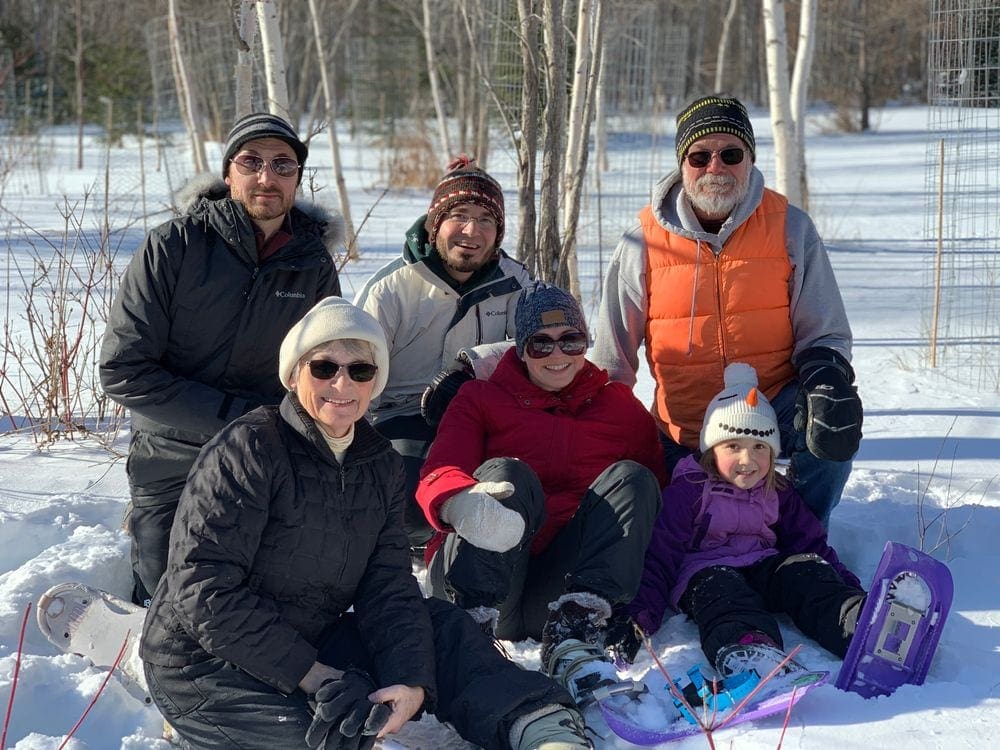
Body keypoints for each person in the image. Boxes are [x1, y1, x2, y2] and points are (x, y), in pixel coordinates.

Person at [140, 296, 592, 750]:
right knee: (332, 735)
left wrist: (410, 682)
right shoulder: (248, 449)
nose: (343, 383)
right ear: (295, 373)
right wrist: (315, 677)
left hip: (312, 637)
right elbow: (205, 590)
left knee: (441, 627)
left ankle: (538, 726)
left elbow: (388, 587)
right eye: (324, 368)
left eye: (360, 370)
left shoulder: (379, 464)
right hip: (203, 660)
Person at [99, 113, 343, 606]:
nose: (266, 177)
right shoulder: (173, 246)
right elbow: (123, 370)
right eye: (251, 161)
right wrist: (237, 418)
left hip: (264, 456)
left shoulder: (311, 264)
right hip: (171, 454)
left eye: (283, 165)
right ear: (228, 172)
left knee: (266, 591)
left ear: (297, 177)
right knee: (168, 590)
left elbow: (326, 369)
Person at [590, 94, 863, 526]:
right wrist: (605, 423)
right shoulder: (641, 242)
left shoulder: (791, 227)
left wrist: (827, 376)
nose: (715, 168)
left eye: (730, 154)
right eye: (700, 156)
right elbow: (610, 359)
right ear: (683, 165)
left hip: (771, 409)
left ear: (750, 160)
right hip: (683, 425)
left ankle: (801, 538)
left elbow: (824, 332)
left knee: (831, 423)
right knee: (674, 532)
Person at [416, 282, 667, 706]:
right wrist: (459, 499)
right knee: (509, 474)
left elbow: (653, 507)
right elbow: (438, 473)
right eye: (541, 343)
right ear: (521, 348)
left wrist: (639, 602)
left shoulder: (621, 407)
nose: (557, 355)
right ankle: (467, 637)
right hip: (477, 575)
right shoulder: (480, 399)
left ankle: (577, 627)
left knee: (634, 478)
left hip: (552, 591)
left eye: (571, 340)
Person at [617, 363, 867, 677]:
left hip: (763, 566)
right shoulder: (689, 490)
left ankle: (857, 622)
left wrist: (845, 583)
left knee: (805, 571)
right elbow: (660, 555)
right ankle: (748, 648)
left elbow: (812, 543)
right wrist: (639, 618)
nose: (747, 460)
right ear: (712, 448)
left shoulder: (777, 490)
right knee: (723, 594)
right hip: (705, 572)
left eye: (759, 447)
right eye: (733, 446)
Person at [355, 154, 531, 548]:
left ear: (498, 232)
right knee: (408, 505)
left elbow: (538, 351)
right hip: (401, 413)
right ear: (436, 224)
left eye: (486, 219)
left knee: (515, 486)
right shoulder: (391, 288)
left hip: (485, 416)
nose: (472, 230)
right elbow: (356, 370)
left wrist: (474, 366)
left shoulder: (518, 283)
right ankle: (416, 541)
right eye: (460, 215)